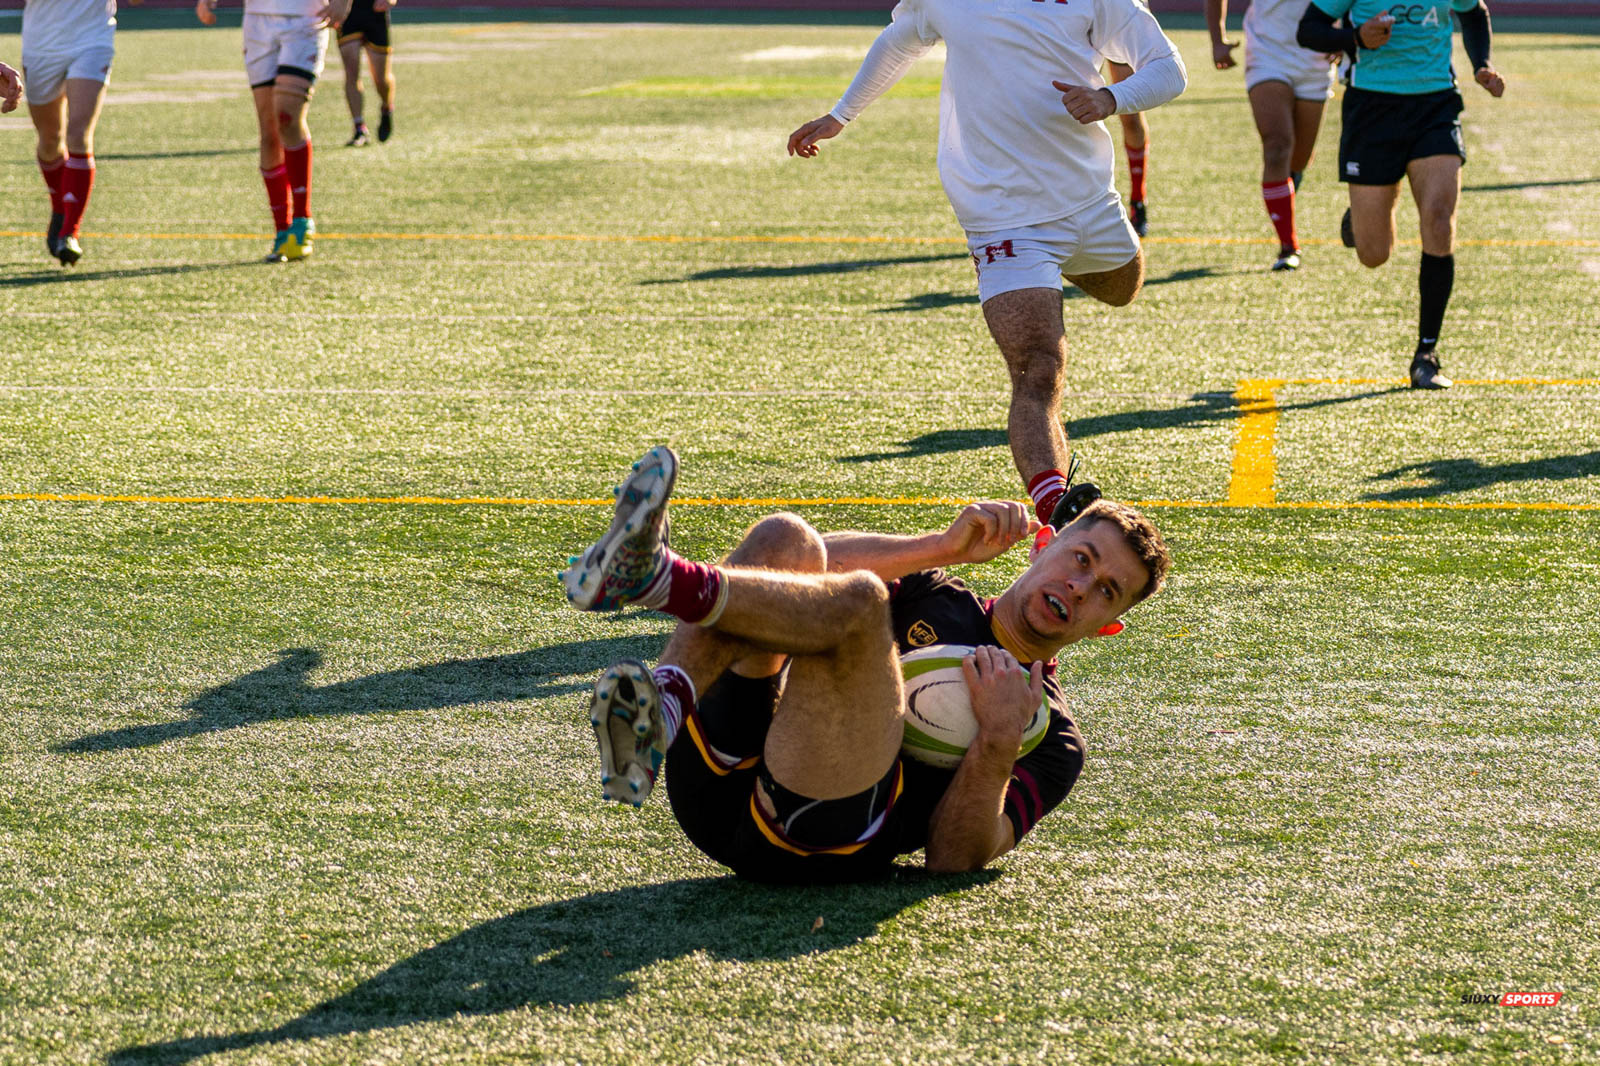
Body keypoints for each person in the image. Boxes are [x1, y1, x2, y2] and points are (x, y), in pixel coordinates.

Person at [558, 446, 1170, 883]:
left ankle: (661, 579)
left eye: (1108, 591)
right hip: (715, 779)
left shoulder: (1053, 736)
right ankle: (663, 710)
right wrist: (943, 545)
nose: (1083, 586)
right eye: (1082, 558)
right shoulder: (939, 590)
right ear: (1044, 544)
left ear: (1107, 624)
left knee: (861, 603)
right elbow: (810, 568)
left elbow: (953, 859)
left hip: (811, 835)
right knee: (786, 540)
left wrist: (999, 741)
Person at [787, 0, 1186, 531]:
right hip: (998, 213)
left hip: (1086, 198)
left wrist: (1111, 96)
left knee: (1122, 287)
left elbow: (1169, 67)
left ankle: (1051, 269)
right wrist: (841, 114)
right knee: (1036, 366)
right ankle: (1057, 510)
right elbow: (901, 38)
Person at [1298, 0, 1505, 389]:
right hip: (1372, 109)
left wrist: (1482, 64)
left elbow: (1474, 13)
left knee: (1440, 220)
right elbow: (1309, 29)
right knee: (1374, 254)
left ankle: (1426, 353)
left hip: (1436, 106)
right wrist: (1355, 37)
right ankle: (1362, 218)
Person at [196, 0, 352, 262]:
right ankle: (282, 230)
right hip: (258, 22)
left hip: (306, 17)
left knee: (287, 116)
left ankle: (302, 220)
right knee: (269, 134)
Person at [1206, 0, 1338, 271]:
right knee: (1277, 147)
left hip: (1317, 54)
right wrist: (1217, 39)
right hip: (1267, 51)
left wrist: (1345, 34)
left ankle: (1285, 196)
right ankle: (1288, 246)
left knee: (1298, 160)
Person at [21, 0, 119, 266]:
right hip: (42, 43)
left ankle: (69, 232)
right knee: (50, 139)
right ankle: (59, 207)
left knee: (78, 134)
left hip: (92, 40)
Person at [335, 0, 395, 146]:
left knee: (381, 79)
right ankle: (359, 128)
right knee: (351, 72)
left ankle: (386, 107)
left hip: (374, 10)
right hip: (347, 10)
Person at [1106, 61, 1150, 238]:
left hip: (1112, 35)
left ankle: (1138, 198)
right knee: (1073, 113)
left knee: (1131, 117)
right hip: (1075, 37)